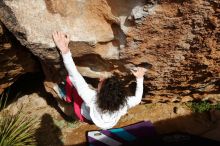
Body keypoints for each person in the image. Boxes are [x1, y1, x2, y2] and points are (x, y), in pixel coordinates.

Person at [52, 31, 147, 129]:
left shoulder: (91, 98)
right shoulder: (123, 105)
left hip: (81, 112)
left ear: (99, 93)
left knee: (70, 82)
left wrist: (65, 50)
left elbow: (74, 75)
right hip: (93, 119)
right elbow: (137, 99)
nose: (101, 79)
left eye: (101, 82)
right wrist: (140, 78)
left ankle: (66, 96)